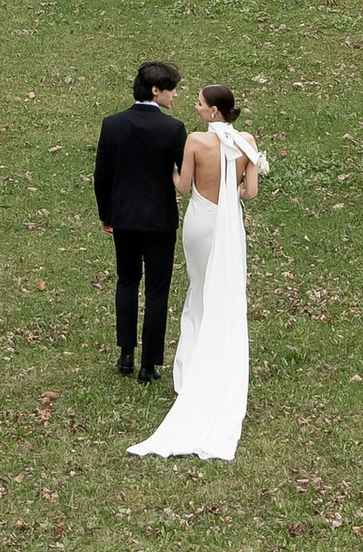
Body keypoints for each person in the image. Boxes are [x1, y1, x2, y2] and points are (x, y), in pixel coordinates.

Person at [129, 84, 261, 465]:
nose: (196, 108)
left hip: (201, 222)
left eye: (201, 104)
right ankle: (218, 362)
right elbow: (249, 194)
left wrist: (169, 170)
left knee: (199, 290)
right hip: (229, 223)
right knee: (224, 290)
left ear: (215, 111)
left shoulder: (195, 143)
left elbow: (183, 187)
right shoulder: (247, 141)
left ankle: (189, 371)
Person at [93, 59, 185, 381]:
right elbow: (182, 174)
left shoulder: (112, 124)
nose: (174, 96)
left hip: (124, 219)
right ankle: (149, 365)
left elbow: (101, 174)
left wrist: (107, 214)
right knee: (157, 290)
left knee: (127, 280)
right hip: (159, 222)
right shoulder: (173, 129)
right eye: (171, 90)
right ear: (156, 90)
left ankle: (126, 354)